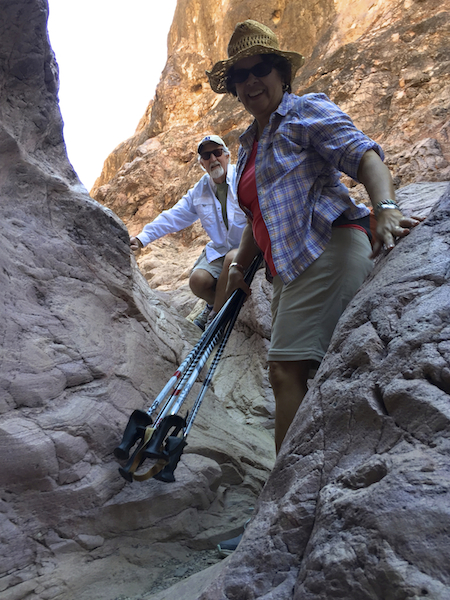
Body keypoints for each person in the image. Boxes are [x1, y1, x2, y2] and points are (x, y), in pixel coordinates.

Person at [207, 20, 423, 453]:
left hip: (327, 248)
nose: (252, 81)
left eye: (261, 69)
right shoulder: (248, 144)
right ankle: (312, 467)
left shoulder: (305, 111)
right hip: (288, 271)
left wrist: (385, 208)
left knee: (285, 372)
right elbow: (256, 217)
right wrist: (239, 264)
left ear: (282, 73)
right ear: (234, 88)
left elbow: (364, 156)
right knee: (297, 372)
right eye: (241, 75)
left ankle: (287, 481)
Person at [130, 135, 247, 330]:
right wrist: (142, 238)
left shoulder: (242, 177)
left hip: (247, 246)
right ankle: (218, 303)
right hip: (221, 249)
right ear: (202, 163)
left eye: (217, 153)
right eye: (206, 156)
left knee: (231, 259)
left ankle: (214, 320)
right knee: (197, 281)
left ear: (227, 155)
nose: (213, 159)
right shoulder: (200, 191)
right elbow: (173, 217)